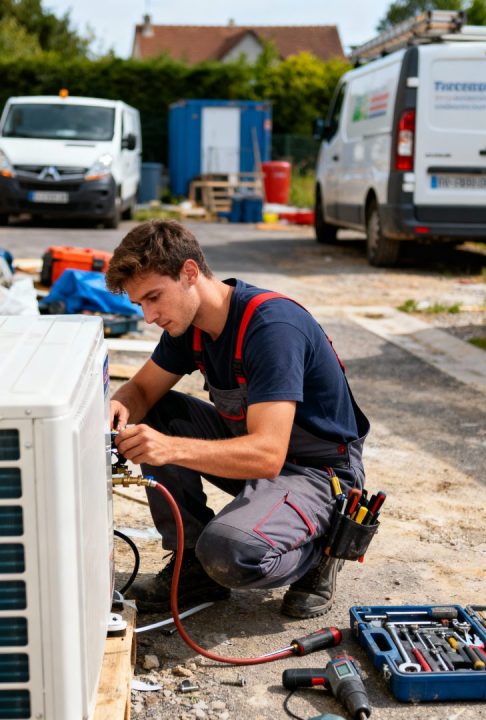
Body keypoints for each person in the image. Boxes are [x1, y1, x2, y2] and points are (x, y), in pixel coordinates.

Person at [106, 219, 370, 618]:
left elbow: (267, 456)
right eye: (140, 303)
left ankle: (322, 548)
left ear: (189, 272)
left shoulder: (271, 328)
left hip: (318, 472)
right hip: (257, 453)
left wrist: (169, 449)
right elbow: (141, 392)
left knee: (228, 551)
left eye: (154, 297)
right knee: (155, 412)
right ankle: (191, 565)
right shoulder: (188, 326)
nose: (148, 316)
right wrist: (116, 410)